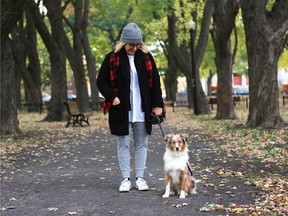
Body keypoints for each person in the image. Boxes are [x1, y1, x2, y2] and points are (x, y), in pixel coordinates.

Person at [97, 23, 164, 192]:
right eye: (131, 45)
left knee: (141, 144)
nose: (134, 48)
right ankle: (125, 179)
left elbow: (155, 82)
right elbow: (101, 81)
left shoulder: (146, 58)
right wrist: (113, 97)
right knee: (123, 144)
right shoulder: (112, 58)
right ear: (123, 43)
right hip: (121, 110)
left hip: (142, 109)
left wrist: (157, 105)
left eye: (137, 45)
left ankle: (140, 178)